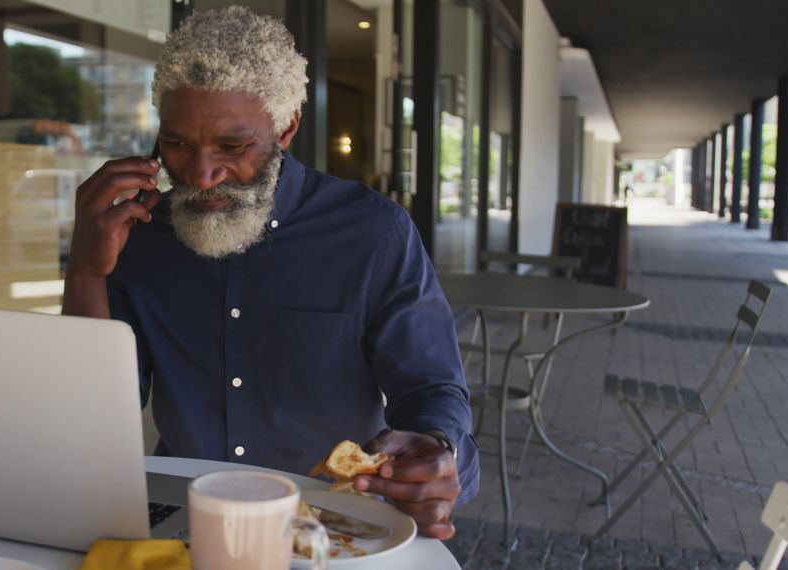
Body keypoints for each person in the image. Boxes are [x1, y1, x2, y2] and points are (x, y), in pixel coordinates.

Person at [62, 6, 479, 540]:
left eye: (233, 146)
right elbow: (98, 414)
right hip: (186, 521)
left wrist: (437, 450)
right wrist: (86, 272)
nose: (201, 174)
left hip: (333, 525)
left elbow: (430, 386)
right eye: (176, 144)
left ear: (285, 128)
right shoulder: (138, 234)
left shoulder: (372, 233)